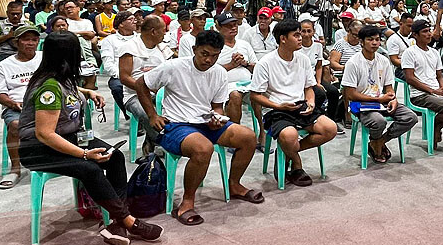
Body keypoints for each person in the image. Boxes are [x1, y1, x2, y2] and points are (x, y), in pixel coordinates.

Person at [18, 31, 163, 245]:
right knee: (91, 168)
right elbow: (44, 134)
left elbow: (68, 89)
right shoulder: (48, 87)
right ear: (69, 56)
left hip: (69, 137)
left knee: (114, 157)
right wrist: (84, 154)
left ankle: (117, 221)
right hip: (39, 149)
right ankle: (127, 221)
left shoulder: (61, 77)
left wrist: (86, 92)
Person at [135, 30, 262, 224]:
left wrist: (217, 118)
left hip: (204, 122)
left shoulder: (219, 72)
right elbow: (140, 84)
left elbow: (217, 106)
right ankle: (187, 201)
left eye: (215, 56)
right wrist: (152, 115)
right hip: (177, 124)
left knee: (248, 137)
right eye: (205, 54)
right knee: (204, 148)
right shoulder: (174, 66)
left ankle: (235, 185)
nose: (209, 60)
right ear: (194, 49)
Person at [250, 20, 338, 187]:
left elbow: (309, 88)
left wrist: (311, 102)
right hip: (277, 110)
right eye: (296, 35)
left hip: (301, 106)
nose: (301, 38)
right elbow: (255, 95)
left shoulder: (303, 59)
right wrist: (278, 106)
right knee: (289, 136)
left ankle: (286, 151)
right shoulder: (265, 63)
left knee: (330, 129)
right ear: (283, 38)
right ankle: (296, 162)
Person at [342, 25, 417, 163]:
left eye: (377, 39)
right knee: (379, 121)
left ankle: (379, 142)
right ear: (361, 42)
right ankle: (376, 143)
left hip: (381, 101)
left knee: (410, 117)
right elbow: (350, 94)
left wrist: (392, 98)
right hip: (361, 104)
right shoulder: (353, 63)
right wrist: (378, 99)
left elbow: (389, 87)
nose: (375, 43)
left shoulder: (384, 60)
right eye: (370, 39)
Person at [402, 20, 443, 149]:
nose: (429, 34)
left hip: (436, 92)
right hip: (420, 95)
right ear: (415, 35)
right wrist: (433, 91)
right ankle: (434, 128)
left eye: (429, 31)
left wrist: (442, 87)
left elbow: (439, 75)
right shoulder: (410, 52)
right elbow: (410, 78)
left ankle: (436, 126)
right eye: (424, 32)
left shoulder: (434, 52)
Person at [0, 25, 42, 189]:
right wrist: (12, 104)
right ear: (16, 42)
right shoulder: (4, 66)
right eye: (26, 39)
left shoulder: (45, 58)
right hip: (16, 106)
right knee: (15, 125)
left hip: (45, 103)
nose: (30, 43)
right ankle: (15, 169)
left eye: (34, 40)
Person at [119, 16, 174, 155]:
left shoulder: (162, 48)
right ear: (153, 31)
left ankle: (151, 142)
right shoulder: (129, 47)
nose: (165, 33)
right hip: (134, 95)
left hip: (160, 93)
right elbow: (124, 78)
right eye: (163, 30)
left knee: (178, 110)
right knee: (147, 114)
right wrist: (146, 88)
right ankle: (162, 141)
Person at [214, 11, 262, 140]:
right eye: (229, 26)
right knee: (235, 95)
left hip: (247, 84)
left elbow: (256, 68)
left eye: (235, 25)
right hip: (225, 86)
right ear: (219, 27)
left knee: (258, 94)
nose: (233, 28)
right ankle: (235, 136)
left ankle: (263, 134)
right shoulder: (215, 47)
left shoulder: (244, 45)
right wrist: (231, 65)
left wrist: (245, 63)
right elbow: (210, 72)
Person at [300, 20, 343, 134]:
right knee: (320, 95)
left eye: (309, 31)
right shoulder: (296, 46)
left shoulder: (318, 45)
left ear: (313, 31)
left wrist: (318, 82)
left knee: (333, 92)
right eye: (303, 31)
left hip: (314, 78)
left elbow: (319, 66)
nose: (306, 34)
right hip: (300, 80)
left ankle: (331, 120)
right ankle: (312, 119)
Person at [100, 11, 137, 115]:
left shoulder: (139, 38)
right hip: (120, 75)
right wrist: (123, 76)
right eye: (131, 19)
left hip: (139, 73)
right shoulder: (110, 40)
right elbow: (108, 64)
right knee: (117, 87)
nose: (135, 21)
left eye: (135, 19)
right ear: (120, 24)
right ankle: (131, 115)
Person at [0, 0, 29, 67]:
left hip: (25, 54)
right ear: (7, 13)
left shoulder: (28, 24)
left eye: (18, 14)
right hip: (5, 55)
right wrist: (8, 36)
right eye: (12, 14)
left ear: (22, 13)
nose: (15, 16)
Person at [386, 13, 415, 80]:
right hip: (401, 69)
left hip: (416, 66)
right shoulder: (393, 39)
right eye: (408, 26)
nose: (411, 29)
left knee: (441, 76)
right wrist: (410, 65)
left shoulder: (413, 37)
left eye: (412, 26)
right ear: (401, 24)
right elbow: (394, 60)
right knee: (421, 79)